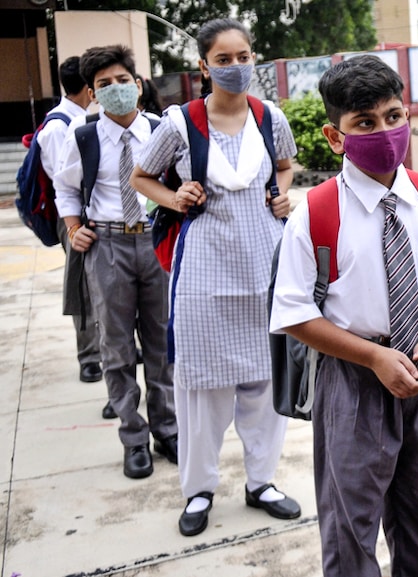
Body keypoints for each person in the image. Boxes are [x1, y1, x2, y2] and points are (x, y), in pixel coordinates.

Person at [270, 54, 418, 577]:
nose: (385, 131)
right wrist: (373, 357)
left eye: (393, 116)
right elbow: (295, 313)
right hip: (353, 379)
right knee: (351, 522)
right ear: (335, 135)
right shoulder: (317, 213)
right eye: (364, 123)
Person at [129, 18, 300, 538]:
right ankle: (198, 490)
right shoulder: (180, 124)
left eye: (243, 57)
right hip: (204, 272)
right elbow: (139, 176)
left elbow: (286, 166)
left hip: (263, 271)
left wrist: (283, 192)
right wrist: (172, 196)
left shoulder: (270, 118)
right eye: (222, 60)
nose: (235, 67)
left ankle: (261, 482)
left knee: (266, 384)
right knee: (202, 390)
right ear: (204, 66)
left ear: (255, 59)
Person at [53, 45, 177, 479]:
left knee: (162, 343)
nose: (116, 89)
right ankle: (133, 436)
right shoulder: (82, 136)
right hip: (106, 246)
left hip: (156, 241)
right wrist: (73, 228)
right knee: (117, 346)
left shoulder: (164, 130)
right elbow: (65, 189)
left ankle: (167, 428)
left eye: (122, 80)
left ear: (138, 85)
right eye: (104, 84)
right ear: (92, 93)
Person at [38, 56, 102, 386]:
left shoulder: (88, 118)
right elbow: (64, 183)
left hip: (99, 212)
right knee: (83, 287)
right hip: (75, 216)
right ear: (87, 87)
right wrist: (76, 225)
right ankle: (89, 357)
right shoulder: (58, 126)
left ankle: (108, 347)